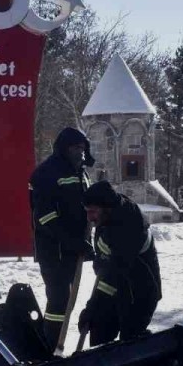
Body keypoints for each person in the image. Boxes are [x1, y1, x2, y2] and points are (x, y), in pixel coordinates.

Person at [29, 127, 95, 350]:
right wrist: (72, 241)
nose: (81, 152)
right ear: (65, 148)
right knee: (58, 298)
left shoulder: (80, 173)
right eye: (76, 148)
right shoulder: (47, 173)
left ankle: (56, 343)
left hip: (74, 249)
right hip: (53, 248)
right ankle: (50, 345)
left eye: (82, 148)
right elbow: (44, 216)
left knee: (66, 298)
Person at [77, 180, 162, 346]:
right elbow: (106, 267)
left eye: (93, 212)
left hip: (138, 293)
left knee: (129, 345)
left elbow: (113, 272)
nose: (89, 218)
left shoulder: (128, 225)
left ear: (107, 208)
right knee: (99, 332)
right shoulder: (108, 214)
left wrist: (92, 307)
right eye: (87, 212)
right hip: (116, 286)